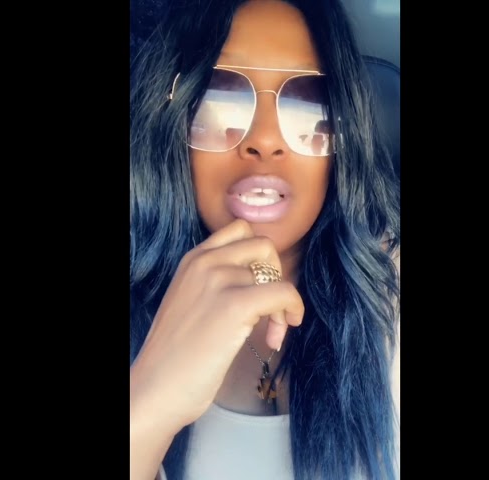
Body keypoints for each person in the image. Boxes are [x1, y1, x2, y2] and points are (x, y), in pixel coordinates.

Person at [130, 1, 400, 479]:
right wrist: (145, 409)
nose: (265, 140)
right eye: (220, 100)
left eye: (308, 104)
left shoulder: (390, 293)